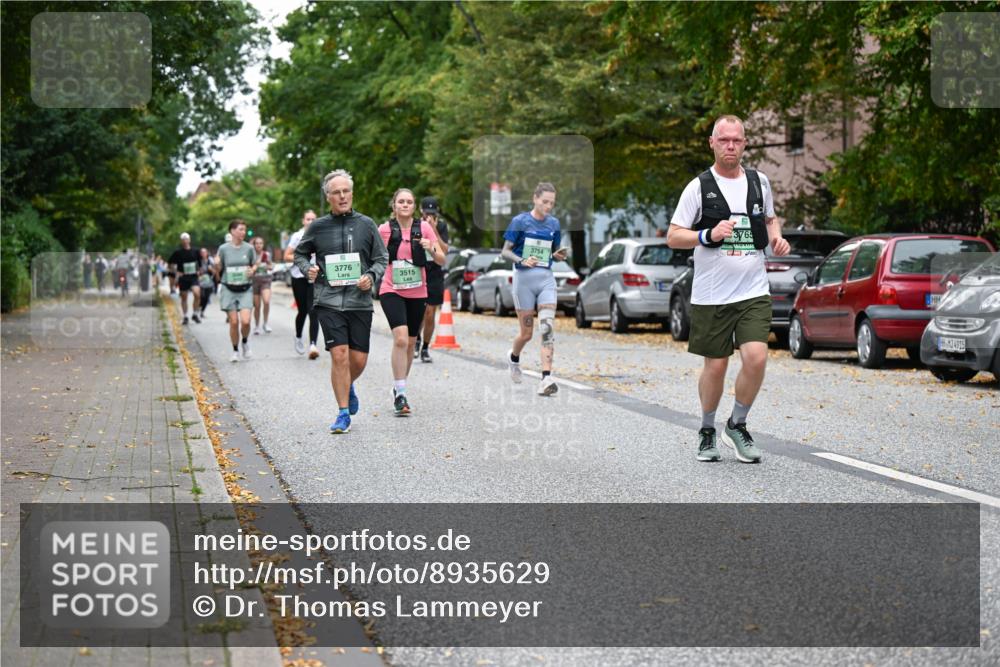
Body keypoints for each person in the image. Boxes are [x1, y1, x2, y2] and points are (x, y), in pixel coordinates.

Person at [666, 114, 790, 464]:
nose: (731, 146)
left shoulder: (759, 182)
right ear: (712, 142)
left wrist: (777, 238)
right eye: (724, 140)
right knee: (716, 367)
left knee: (756, 356)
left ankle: (736, 423)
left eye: (736, 140)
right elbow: (674, 235)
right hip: (712, 294)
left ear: (745, 143)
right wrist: (707, 235)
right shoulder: (698, 187)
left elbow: (769, 219)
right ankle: (707, 429)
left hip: (752, 290)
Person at [293, 169, 388, 434]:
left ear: (352, 194)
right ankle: (343, 413)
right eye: (336, 192)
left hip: (359, 302)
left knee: (358, 360)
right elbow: (300, 255)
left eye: (346, 191)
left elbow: (382, 258)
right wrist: (307, 269)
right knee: (340, 355)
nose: (342, 196)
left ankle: (348, 384)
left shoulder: (366, 224)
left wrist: (371, 276)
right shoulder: (318, 227)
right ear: (328, 197)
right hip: (329, 300)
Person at [378, 189, 445, 415]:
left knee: (411, 341)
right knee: (400, 339)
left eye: (409, 202)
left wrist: (430, 247)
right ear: (394, 205)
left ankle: (399, 387)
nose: (405, 205)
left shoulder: (424, 228)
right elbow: (373, 256)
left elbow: (441, 258)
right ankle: (402, 394)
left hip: (417, 291)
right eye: (401, 201)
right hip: (391, 289)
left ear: (414, 206)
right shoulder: (384, 229)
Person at [500, 182, 568, 396]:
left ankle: (546, 378)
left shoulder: (554, 224)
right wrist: (521, 259)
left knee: (547, 329)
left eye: (552, 203)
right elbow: (505, 252)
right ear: (535, 199)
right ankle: (514, 358)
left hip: (546, 279)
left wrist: (558, 255)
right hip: (524, 281)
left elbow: (554, 251)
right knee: (527, 333)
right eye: (545, 201)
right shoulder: (520, 221)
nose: (548, 206)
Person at [215, 220, 258, 362]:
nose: (243, 232)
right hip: (229, 288)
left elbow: (255, 264)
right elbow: (218, 270)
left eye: (244, 230)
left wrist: (253, 270)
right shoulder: (223, 249)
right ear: (232, 231)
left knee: (245, 321)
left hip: (245, 288)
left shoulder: (249, 248)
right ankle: (235, 350)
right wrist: (216, 265)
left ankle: (244, 341)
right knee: (233, 322)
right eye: (240, 229)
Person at [414, 196, 450, 363]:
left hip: (435, 271)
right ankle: (417, 339)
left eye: (432, 213)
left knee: (430, 313)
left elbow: (445, 250)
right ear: (421, 211)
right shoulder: (414, 225)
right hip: (419, 270)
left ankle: (425, 347)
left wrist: (434, 230)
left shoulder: (441, 226)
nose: (429, 216)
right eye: (426, 213)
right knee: (419, 312)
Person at [285, 210, 322, 358]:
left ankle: (313, 344)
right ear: (303, 221)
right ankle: (299, 336)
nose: (311, 221)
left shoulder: (320, 235)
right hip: (298, 276)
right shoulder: (297, 236)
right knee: (303, 311)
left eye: (313, 219)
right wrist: (302, 259)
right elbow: (286, 256)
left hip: (315, 277)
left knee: (314, 310)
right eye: (308, 219)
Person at [169, 232, 202, 324]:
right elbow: (170, 264)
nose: (185, 241)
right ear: (181, 241)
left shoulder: (195, 251)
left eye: (187, 239)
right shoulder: (178, 253)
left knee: (197, 293)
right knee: (184, 297)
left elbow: (200, 263)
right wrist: (176, 272)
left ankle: (195, 314)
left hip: (193, 276)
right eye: (183, 239)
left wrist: (199, 271)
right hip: (183, 277)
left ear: (189, 240)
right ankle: (185, 316)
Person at [251, 236, 274, 334]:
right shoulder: (251, 255)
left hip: (265, 280)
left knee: (266, 301)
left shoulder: (266, 254)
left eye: (260, 243)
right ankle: (256, 326)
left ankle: (265, 323)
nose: (259, 245)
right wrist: (255, 266)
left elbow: (271, 266)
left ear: (263, 245)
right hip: (254, 282)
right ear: (254, 245)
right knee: (257, 305)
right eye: (257, 243)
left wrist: (267, 266)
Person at [198, 248, 215, 317]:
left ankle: (202, 311)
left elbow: (215, 271)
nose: (203, 254)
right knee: (201, 296)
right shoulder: (198, 261)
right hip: (200, 281)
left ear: (207, 253)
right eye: (202, 252)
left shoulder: (210, 260)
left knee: (206, 297)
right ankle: (198, 308)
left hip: (208, 281)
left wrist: (211, 270)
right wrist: (199, 272)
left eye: (204, 252)